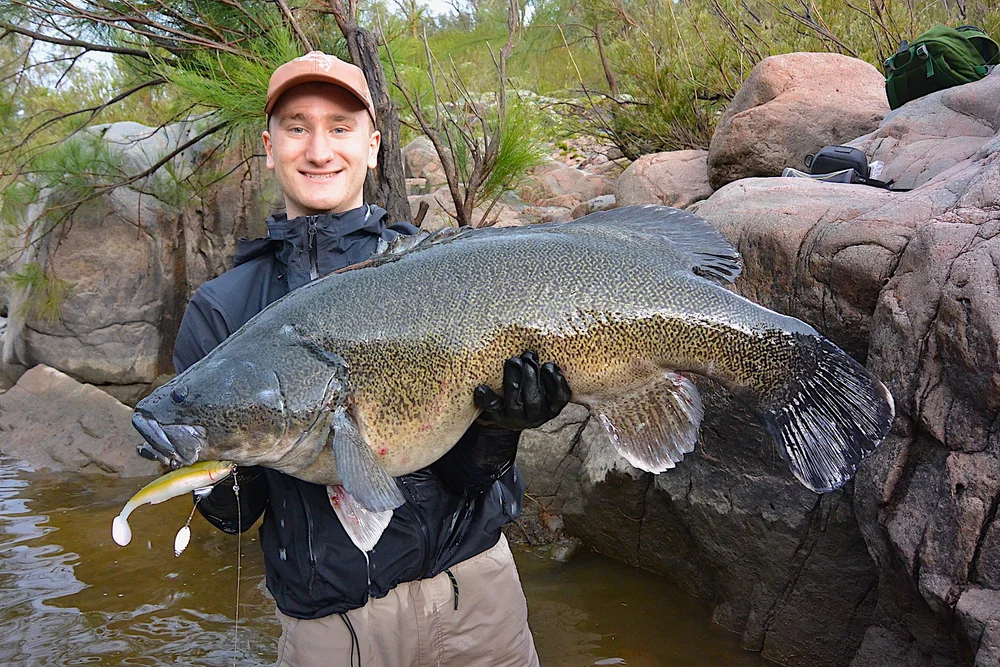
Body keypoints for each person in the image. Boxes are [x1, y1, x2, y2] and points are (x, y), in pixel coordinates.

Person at [166, 51, 571, 666]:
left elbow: (466, 479)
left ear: (374, 145)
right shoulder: (221, 311)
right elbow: (235, 518)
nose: (319, 149)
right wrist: (219, 460)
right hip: (331, 631)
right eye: (297, 127)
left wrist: (500, 430)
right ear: (269, 147)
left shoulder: (444, 269)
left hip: (477, 599)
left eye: (340, 127)